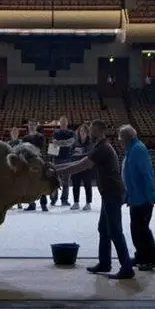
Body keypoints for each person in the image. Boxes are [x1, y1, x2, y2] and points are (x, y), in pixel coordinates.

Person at [54, 120, 133, 280]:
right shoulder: (99, 146)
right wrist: (56, 168)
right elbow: (79, 162)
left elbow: (81, 166)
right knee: (103, 229)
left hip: (112, 193)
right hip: (108, 192)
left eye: (92, 129)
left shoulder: (102, 148)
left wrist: (56, 171)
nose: (89, 132)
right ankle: (104, 263)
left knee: (115, 231)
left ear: (99, 130)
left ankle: (127, 268)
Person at [120, 125, 155, 271]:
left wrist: (151, 195)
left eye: (121, 137)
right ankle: (141, 256)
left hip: (143, 198)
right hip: (136, 197)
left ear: (127, 137)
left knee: (142, 230)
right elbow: (130, 176)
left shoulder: (138, 149)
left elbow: (147, 174)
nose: (120, 141)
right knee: (136, 230)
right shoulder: (132, 148)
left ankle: (152, 260)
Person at [21, 120, 49, 212]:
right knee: (30, 183)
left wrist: (29, 149)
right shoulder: (25, 138)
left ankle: (43, 204)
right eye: (30, 125)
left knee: (41, 182)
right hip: (28, 162)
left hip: (39, 161)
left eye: (33, 125)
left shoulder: (40, 136)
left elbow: (39, 149)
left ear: (36, 126)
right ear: (28, 126)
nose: (31, 126)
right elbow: (24, 150)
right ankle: (31, 204)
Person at [50, 116, 76, 206]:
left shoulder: (71, 132)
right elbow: (54, 142)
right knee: (54, 181)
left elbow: (71, 142)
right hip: (56, 158)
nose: (63, 124)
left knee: (66, 181)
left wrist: (59, 143)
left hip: (67, 159)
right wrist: (65, 143)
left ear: (67, 123)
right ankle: (53, 199)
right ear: (59, 123)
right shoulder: (55, 132)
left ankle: (64, 199)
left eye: (65, 122)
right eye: (62, 122)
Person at [69, 124, 94, 211]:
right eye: (81, 131)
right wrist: (74, 152)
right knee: (75, 184)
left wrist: (82, 151)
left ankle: (88, 203)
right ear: (79, 132)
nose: (82, 133)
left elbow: (91, 152)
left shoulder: (90, 141)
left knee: (87, 184)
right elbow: (70, 152)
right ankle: (76, 202)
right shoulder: (75, 141)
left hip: (86, 166)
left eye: (84, 131)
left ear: (87, 132)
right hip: (76, 165)